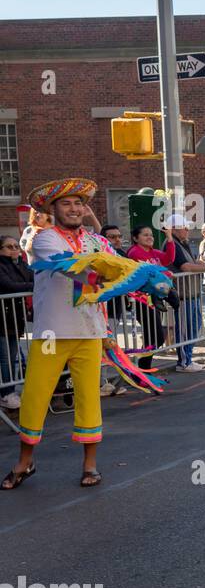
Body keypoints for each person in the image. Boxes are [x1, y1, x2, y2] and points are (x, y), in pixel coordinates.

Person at [3, 179, 112, 489]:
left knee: (89, 397)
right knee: (36, 396)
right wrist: (106, 272)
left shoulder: (94, 240)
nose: (74, 208)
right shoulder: (44, 239)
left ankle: (90, 465)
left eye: (79, 203)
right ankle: (25, 462)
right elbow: (72, 267)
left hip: (90, 331)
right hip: (52, 333)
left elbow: (114, 260)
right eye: (67, 203)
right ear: (53, 209)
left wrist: (128, 273)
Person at [126, 223, 177, 371]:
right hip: (140, 299)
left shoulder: (153, 252)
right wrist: (166, 274)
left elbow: (168, 259)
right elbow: (151, 272)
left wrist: (169, 237)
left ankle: (142, 369)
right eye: (145, 235)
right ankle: (141, 369)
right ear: (136, 238)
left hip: (151, 299)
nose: (150, 237)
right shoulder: (135, 252)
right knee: (156, 336)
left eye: (151, 235)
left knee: (154, 337)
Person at [166, 214, 205, 372]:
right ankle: (184, 362)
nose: (187, 230)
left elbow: (193, 262)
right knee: (185, 329)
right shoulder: (172, 244)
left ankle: (188, 358)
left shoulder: (183, 243)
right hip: (183, 294)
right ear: (173, 229)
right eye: (184, 227)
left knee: (195, 326)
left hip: (191, 293)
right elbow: (185, 267)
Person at [0, 235, 34, 410]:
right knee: (6, 358)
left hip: (15, 318)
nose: (14, 249)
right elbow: (8, 285)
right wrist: (30, 285)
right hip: (3, 318)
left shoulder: (20, 263)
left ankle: (11, 390)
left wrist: (29, 283)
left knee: (13, 356)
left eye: (16, 246)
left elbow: (33, 277)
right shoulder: (2, 265)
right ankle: (6, 393)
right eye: (9, 247)